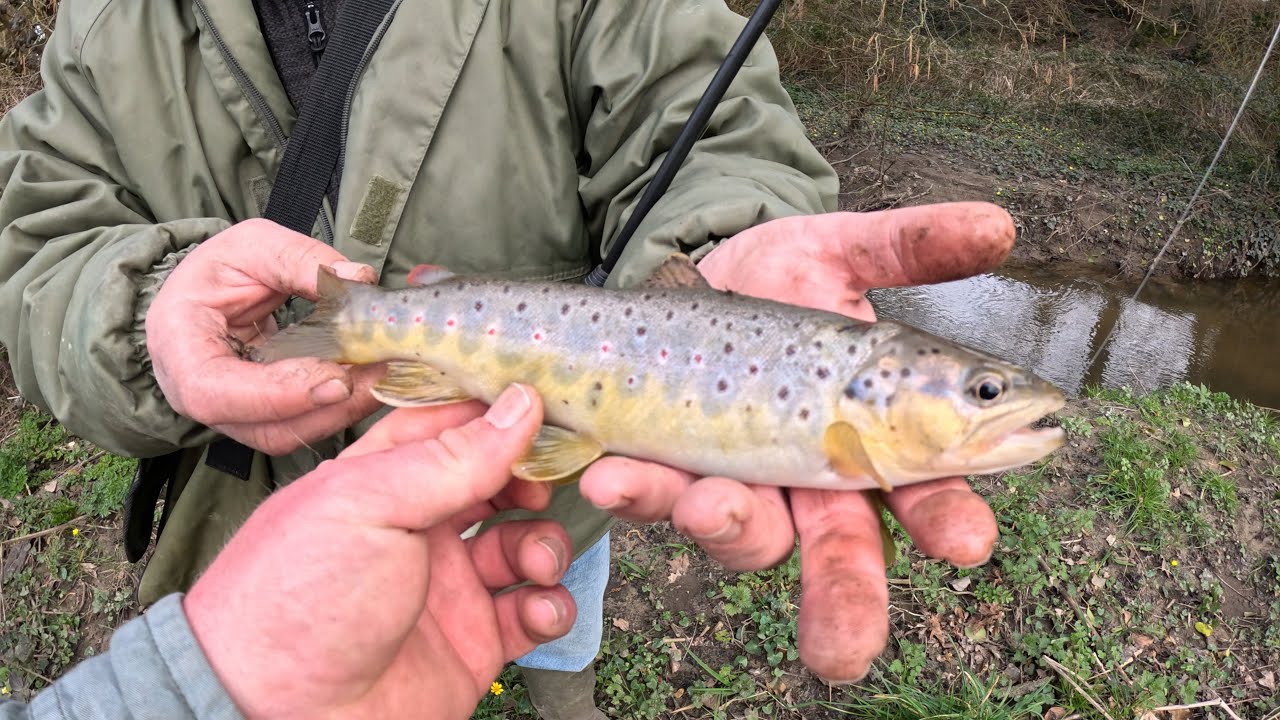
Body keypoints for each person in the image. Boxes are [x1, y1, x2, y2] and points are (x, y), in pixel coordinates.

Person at [0, 0, 1014, 717]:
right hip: (248, 519)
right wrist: (142, 314)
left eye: (982, 391)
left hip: (551, 497)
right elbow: (36, 241)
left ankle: (563, 692)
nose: (995, 404)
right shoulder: (103, 22)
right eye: (982, 391)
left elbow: (700, 112)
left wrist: (726, 235)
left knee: (557, 591)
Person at [0, 385, 589, 720]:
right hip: (292, 465)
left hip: (542, 511)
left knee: (558, 590)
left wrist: (216, 688)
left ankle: (567, 698)